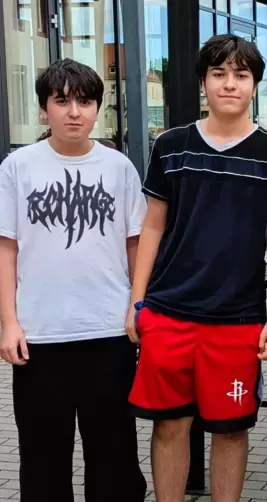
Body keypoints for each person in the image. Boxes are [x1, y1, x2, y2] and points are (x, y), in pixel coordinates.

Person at [126, 34, 267, 500]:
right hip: (168, 312)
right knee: (169, 427)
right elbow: (153, 228)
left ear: (254, 84)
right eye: (219, 74)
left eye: (241, 75)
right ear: (203, 81)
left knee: (231, 432)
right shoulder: (172, 145)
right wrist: (136, 302)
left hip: (237, 319)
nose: (229, 84)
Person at [0, 58, 147, 501]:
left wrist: (136, 308)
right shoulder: (18, 167)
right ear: (45, 109)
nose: (74, 112)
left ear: (98, 108)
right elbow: (6, 249)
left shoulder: (119, 168)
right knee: (43, 458)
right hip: (40, 335)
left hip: (108, 331)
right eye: (61, 101)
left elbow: (136, 245)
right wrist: (8, 321)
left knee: (114, 456)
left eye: (84, 101)